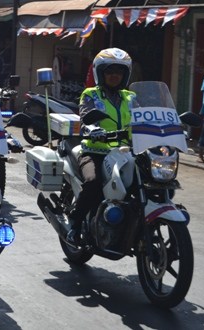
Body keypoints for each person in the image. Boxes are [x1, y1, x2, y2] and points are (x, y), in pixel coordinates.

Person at [67, 48, 135, 245]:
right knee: (93, 182)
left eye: (119, 72)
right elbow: (85, 113)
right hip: (94, 151)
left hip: (125, 153)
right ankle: (75, 223)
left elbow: (146, 116)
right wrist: (91, 127)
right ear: (101, 73)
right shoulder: (91, 94)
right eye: (110, 71)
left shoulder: (131, 97)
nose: (114, 76)